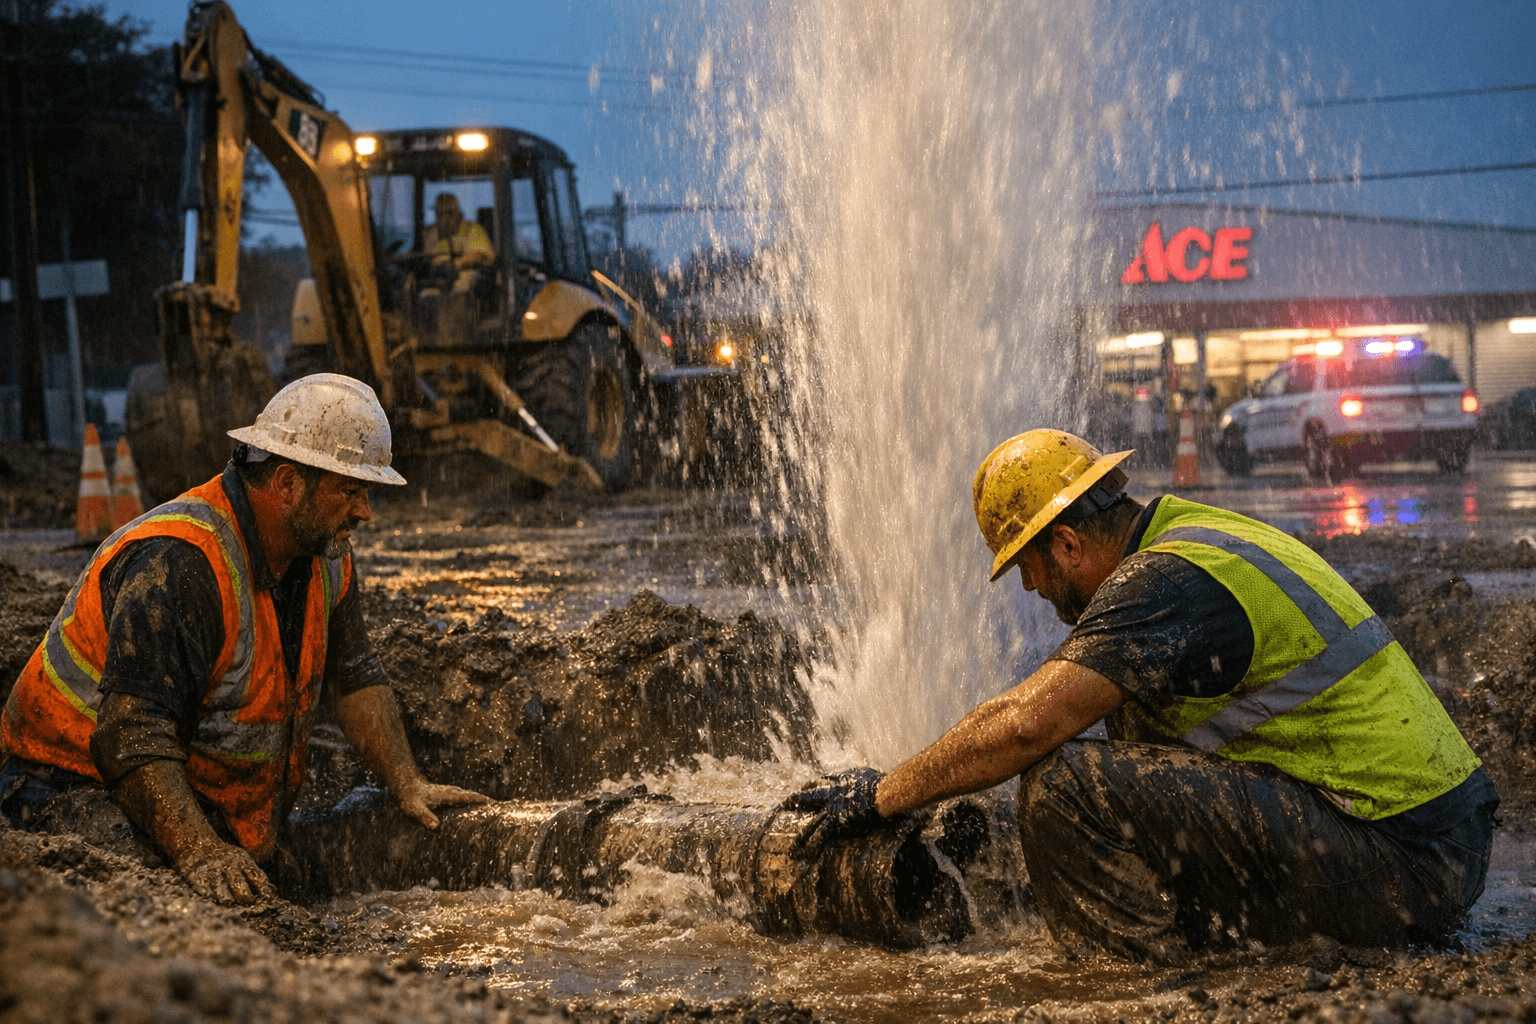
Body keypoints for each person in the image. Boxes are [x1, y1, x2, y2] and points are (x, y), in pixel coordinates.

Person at [786, 428, 1499, 962]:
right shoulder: (1192, 536)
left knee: (1065, 785)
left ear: (1066, 543)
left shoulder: (1161, 581)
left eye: (1028, 568)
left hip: (1404, 864)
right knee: (1120, 729)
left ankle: (1120, 983)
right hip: (1433, 844)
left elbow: (1028, 726)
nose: (1031, 590)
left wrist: (883, 795)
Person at [0, 374, 488, 904]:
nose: (364, 511)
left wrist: (406, 782)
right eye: (351, 490)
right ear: (286, 484)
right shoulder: (181, 562)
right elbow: (133, 738)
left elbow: (356, 678)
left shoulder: (325, 557)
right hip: (61, 788)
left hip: (193, 787)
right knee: (166, 904)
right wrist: (199, 850)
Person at [425, 192, 494, 294]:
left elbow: (480, 254)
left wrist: (456, 263)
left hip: (464, 278)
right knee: (424, 293)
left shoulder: (472, 230)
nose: (444, 219)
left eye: (448, 213)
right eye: (440, 213)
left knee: (463, 282)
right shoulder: (431, 233)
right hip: (436, 278)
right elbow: (425, 256)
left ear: (457, 213)